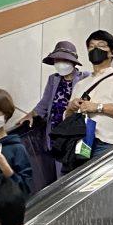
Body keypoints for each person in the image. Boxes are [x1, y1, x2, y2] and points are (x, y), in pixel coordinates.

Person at [15, 42, 89, 181]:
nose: (60, 63)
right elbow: (44, 103)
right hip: (56, 133)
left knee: (80, 172)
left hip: (76, 132)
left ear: (73, 62)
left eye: (64, 60)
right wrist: (31, 114)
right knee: (61, 174)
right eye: (58, 60)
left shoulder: (85, 77)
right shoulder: (53, 79)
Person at [63, 30, 113, 160]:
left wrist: (98, 107)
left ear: (112, 52)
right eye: (91, 46)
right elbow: (67, 119)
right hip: (82, 142)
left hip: (107, 142)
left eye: (101, 45)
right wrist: (70, 108)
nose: (95, 49)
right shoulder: (80, 84)